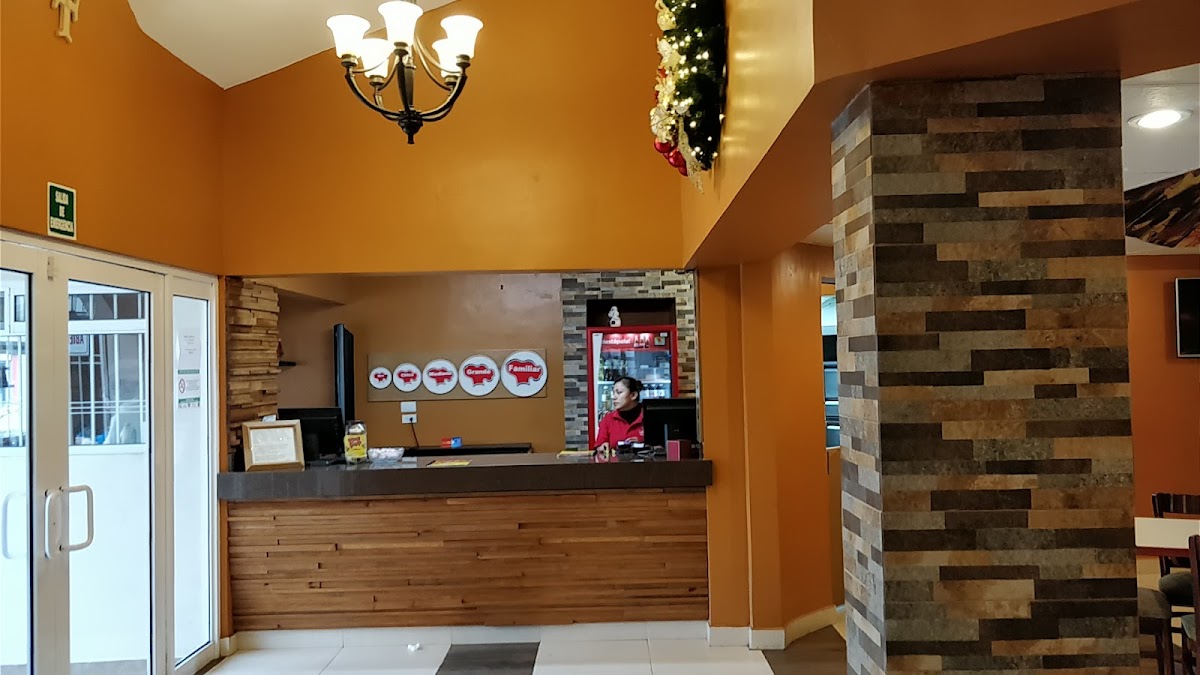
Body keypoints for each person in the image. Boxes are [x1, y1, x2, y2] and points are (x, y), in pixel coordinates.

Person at [595, 376, 644, 454]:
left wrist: (642, 443)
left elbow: (661, 446)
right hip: (616, 461)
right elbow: (600, 445)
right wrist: (603, 447)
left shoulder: (650, 417)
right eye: (613, 393)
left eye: (619, 392)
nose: (614, 397)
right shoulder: (608, 419)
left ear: (633, 395)